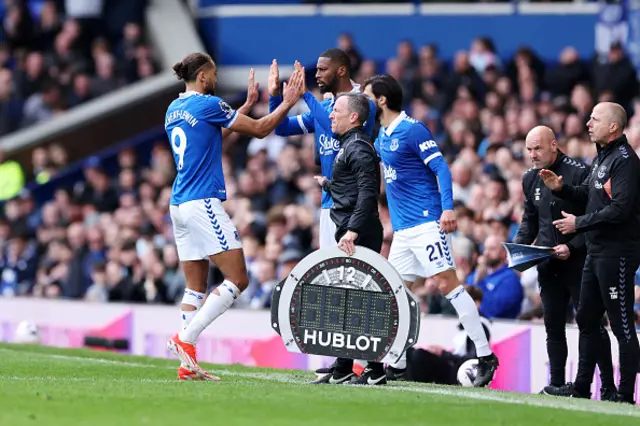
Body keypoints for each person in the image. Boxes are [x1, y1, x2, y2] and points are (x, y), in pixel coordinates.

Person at [164, 52, 305, 381]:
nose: (214, 80)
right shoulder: (208, 105)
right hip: (202, 202)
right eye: (212, 75)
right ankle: (185, 340)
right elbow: (259, 129)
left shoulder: (174, 108)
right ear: (203, 77)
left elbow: (208, 138)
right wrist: (287, 102)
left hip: (178, 204)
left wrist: (240, 109)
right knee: (238, 279)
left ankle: (188, 364)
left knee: (195, 286)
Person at [362, 74, 498, 387]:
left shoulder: (412, 129)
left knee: (446, 284)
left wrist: (448, 208)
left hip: (425, 223)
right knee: (394, 294)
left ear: (382, 100)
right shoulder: (382, 134)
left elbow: (441, 167)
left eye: (368, 96)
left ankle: (485, 354)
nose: (364, 102)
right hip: (403, 232)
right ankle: (394, 363)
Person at [541, 102, 640, 404]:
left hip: (617, 253)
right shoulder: (602, 157)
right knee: (586, 318)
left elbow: (621, 208)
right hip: (596, 252)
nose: (587, 123)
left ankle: (624, 394)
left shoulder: (624, 161)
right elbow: (587, 194)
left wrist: (579, 224)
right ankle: (583, 386)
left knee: (621, 323)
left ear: (613, 127)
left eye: (595, 119)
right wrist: (562, 189)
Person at [514, 125, 616, 397]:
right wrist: (519, 246)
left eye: (537, 148)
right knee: (553, 325)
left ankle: (608, 385)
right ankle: (556, 384)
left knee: (591, 324)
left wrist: (572, 246)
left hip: (580, 263)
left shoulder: (579, 172)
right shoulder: (529, 178)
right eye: (529, 149)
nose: (533, 155)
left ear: (554, 145)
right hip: (548, 262)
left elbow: (595, 221)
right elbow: (530, 220)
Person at [311, 92, 386, 385]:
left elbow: (369, 193)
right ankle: (343, 368)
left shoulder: (359, 148)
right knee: (347, 299)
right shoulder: (349, 146)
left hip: (360, 231)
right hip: (351, 228)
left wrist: (353, 230)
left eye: (337, 110)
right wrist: (328, 183)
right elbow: (351, 188)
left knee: (361, 301)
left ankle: (376, 369)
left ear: (354, 117)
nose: (331, 114)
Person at [268, 49, 377, 250]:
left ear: (341, 70)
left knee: (350, 274)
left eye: (322, 69)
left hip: (351, 205)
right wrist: (275, 95)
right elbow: (281, 128)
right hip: (328, 203)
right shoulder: (324, 106)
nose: (317, 75)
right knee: (330, 275)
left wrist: (306, 96)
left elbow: (335, 130)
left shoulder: (363, 104)